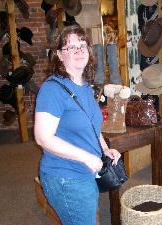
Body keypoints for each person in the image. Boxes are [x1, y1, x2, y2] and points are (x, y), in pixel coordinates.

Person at [34, 25, 121, 225]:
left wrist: (104, 149)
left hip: (85, 172)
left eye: (82, 45)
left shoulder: (85, 86)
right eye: (71, 47)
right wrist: (88, 158)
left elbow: (92, 126)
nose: (79, 50)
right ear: (59, 55)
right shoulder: (52, 89)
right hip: (66, 177)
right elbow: (43, 137)